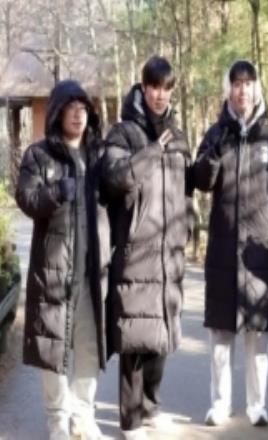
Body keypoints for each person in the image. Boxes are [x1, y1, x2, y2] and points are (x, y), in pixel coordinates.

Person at [192, 59, 268, 427]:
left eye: (248, 83)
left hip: (257, 251)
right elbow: (201, 180)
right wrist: (215, 153)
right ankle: (220, 404)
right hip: (222, 248)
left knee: (257, 333)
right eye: (236, 83)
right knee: (221, 333)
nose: (242, 90)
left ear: (256, 89)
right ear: (228, 89)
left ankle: (257, 404)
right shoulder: (216, 132)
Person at [102, 55, 193, 440]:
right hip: (136, 249)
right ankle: (131, 420)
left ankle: (151, 407)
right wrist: (152, 151)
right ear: (143, 88)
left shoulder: (179, 135)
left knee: (161, 338)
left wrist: (188, 225)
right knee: (134, 340)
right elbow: (113, 179)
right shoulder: (122, 133)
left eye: (166, 88)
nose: (159, 95)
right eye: (153, 87)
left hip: (169, 251)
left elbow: (185, 189)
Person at [15, 79, 110, 440]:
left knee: (88, 348)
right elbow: (26, 198)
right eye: (71, 108)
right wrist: (55, 192)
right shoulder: (39, 156)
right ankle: (57, 421)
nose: (78, 115)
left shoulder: (98, 157)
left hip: (91, 272)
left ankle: (83, 418)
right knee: (52, 349)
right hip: (54, 272)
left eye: (83, 109)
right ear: (57, 113)